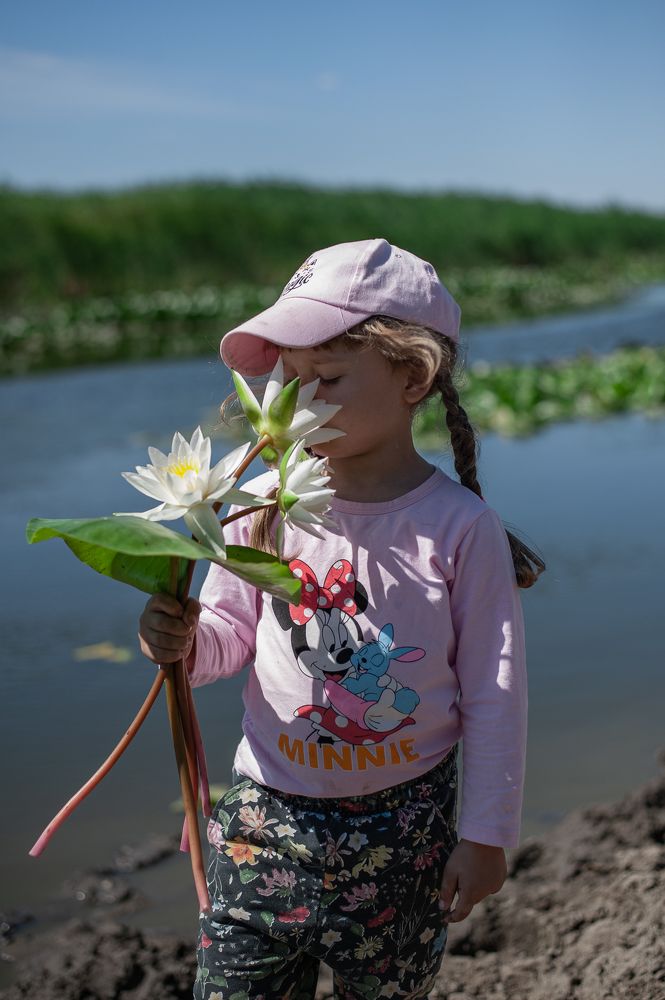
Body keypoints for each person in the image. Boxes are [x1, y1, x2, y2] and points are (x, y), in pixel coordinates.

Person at [138, 238, 544, 1000]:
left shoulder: (460, 529)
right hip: (265, 818)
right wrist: (179, 641)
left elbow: (495, 693)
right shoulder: (256, 502)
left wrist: (486, 836)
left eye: (324, 379)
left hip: (405, 830)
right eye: (285, 383)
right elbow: (224, 642)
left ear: (411, 377)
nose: (295, 406)